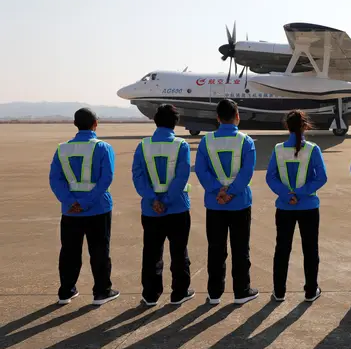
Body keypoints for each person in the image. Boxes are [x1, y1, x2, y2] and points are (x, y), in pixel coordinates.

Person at [48, 108, 119, 305]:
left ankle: (66, 291)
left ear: (75, 124)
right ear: (96, 123)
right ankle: (102, 291)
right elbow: (106, 179)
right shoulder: (103, 148)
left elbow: (55, 179)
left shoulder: (62, 149)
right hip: (98, 209)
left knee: (69, 251)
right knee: (99, 250)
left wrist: (71, 202)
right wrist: (86, 202)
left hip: (71, 211)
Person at [195, 99, 258, 305]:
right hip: (239, 203)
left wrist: (217, 191)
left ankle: (214, 293)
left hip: (215, 204)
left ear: (217, 118)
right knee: (240, 248)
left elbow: (201, 171)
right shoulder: (246, 141)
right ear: (237, 116)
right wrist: (231, 192)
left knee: (215, 248)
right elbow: (247, 172)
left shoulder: (206, 141)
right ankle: (241, 290)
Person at [132, 104, 195, 306]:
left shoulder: (143, 146)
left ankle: (150, 294)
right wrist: (167, 200)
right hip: (177, 207)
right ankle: (179, 292)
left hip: (151, 210)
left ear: (155, 120)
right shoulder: (181, 145)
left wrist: (154, 199)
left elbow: (138, 176)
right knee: (179, 251)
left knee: (151, 252)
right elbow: (182, 175)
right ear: (176, 122)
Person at [266, 110, 327, 302]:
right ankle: (310, 290)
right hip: (308, 206)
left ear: (287, 127)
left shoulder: (278, 149)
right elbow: (321, 177)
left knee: (282, 249)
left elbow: (271, 177)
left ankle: (279, 291)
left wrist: (287, 194)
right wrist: (301, 193)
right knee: (310, 249)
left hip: (285, 207)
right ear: (305, 125)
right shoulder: (313, 149)